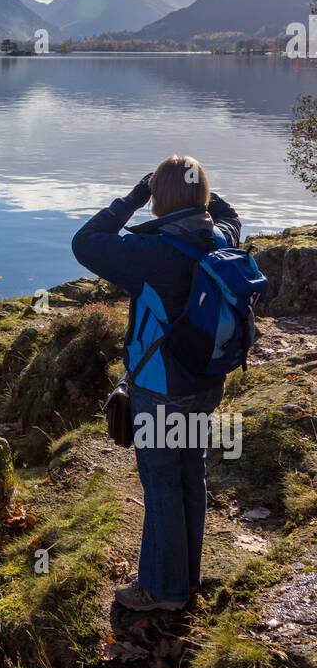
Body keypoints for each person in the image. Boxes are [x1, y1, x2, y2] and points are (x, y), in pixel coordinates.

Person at [71, 155, 241, 613]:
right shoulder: (220, 238)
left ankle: (162, 590)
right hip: (207, 383)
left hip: (162, 390)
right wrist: (202, 192)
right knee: (190, 474)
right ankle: (185, 577)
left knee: (163, 482)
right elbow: (230, 216)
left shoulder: (152, 254)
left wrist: (134, 195)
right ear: (201, 195)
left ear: (158, 198)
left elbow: (86, 242)